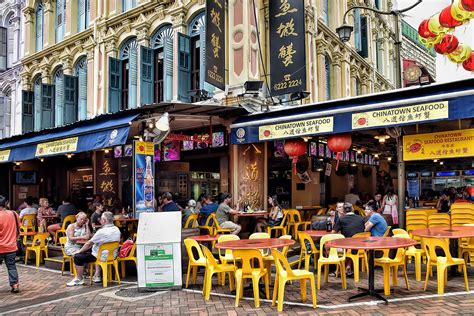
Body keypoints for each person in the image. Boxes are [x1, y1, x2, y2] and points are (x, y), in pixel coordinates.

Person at [67, 211, 121, 286]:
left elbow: (88, 243)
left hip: (100, 257)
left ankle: (79, 279)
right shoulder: (117, 230)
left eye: (101, 219)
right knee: (91, 250)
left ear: (104, 220)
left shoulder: (101, 231)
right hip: (112, 256)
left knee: (78, 256)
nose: (100, 220)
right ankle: (97, 275)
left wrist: (79, 251)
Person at [0, 195, 20, 293]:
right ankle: (15, 285)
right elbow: (19, 228)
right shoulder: (14, 213)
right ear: (5, 204)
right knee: (11, 266)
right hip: (12, 246)